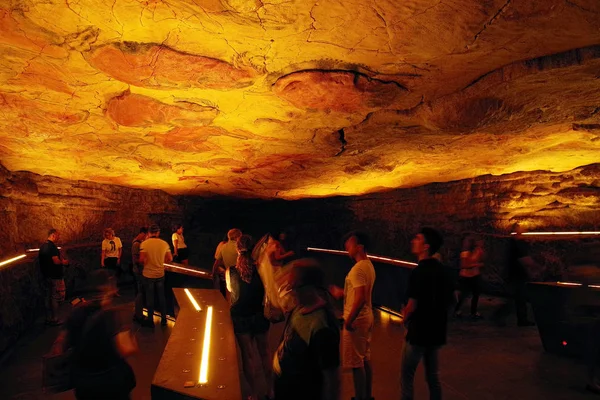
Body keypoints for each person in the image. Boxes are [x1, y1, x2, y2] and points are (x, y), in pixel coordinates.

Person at [62, 269, 137, 400]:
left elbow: (61, 344)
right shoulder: (110, 316)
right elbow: (125, 349)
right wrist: (132, 340)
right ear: (108, 289)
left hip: (84, 383)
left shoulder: (76, 313)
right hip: (110, 383)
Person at [273, 260, 340, 400]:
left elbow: (331, 379)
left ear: (309, 288)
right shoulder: (299, 309)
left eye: (294, 287)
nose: (290, 292)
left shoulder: (322, 327)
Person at [401, 227, 454, 400]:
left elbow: (412, 304)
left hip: (418, 332)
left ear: (426, 246)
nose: (413, 241)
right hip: (437, 331)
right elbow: (450, 301)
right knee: (433, 376)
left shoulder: (418, 272)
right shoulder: (443, 271)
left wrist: (405, 317)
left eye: (417, 239)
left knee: (406, 376)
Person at [329, 231, 375, 400]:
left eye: (349, 243)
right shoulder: (368, 265)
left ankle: (360, 397)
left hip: (357, 320)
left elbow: (360, 298)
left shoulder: (357, 269)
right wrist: (343, 292)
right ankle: (368, 396)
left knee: (356, 363)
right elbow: (359, 293)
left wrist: (348, 321)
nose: (346, 246)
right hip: (367, 317)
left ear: (359, 247)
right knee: (365, 358)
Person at [226, 235, 271, 400]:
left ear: (237, 249)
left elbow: (232, 293)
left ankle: (253, 393)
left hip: (240, 317)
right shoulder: (261, 269)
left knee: (248, 354)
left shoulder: (231, 271)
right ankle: (271, 390)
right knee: (265, 353)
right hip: (259, 314)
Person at [493, 224, 537, 327]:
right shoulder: (516, 244)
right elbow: (523, 259)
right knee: (517, 298)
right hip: (517, 275)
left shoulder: (512, 243)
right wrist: (535, 267)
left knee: (516, 299)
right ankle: (501, 316)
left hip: (514, 274)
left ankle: (519, 319)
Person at [139, 224, 172, 327]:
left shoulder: (144, 244)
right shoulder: (164, 244)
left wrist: (147, 261)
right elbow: (170, 258)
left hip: (148, 274)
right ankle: (163, 319)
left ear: (149, 233)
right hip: (160, 274)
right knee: (161, 296)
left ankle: (150, 319)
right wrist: (161, 262)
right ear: (158, 233)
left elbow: (141, 259)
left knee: (150, 297)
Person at [39, 228, 69, 326]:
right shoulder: (52, 247)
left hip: (46, 275)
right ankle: (55, 318)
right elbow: (56, 261)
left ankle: (48, 317)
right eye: (57, 235)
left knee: (48, 296)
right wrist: (64, 262)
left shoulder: (43, 246)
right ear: (53, 235)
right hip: (55, 276)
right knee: (56, 297)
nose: (58, 237)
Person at [454, 235, 485, 319]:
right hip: (466, 276)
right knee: (464, 295)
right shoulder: (465, 253)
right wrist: (477, 264)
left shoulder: (477, 251)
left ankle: (473, 312)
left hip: (475, 275)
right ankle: (457, 310)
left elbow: (482, 259)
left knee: (476, 294)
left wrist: (480, 252)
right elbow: (464, 265)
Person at [213, 228, 242, 297]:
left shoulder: (223, 247)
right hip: (239, 276)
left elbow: (217, 260)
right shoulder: (239, 248)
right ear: (236, 237)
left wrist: (213, 272)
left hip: (228, 275)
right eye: (240, 236)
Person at [131, 227, 148, 324]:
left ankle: (138, 313)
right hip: (138, 272)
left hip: (138, 271)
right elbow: (135, 259)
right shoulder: (136, 244)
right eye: (145, 235)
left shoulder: (137, 242)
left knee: (140, 293)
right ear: (142, 233)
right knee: (140, 293)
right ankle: (138, 315)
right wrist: (145, 260)